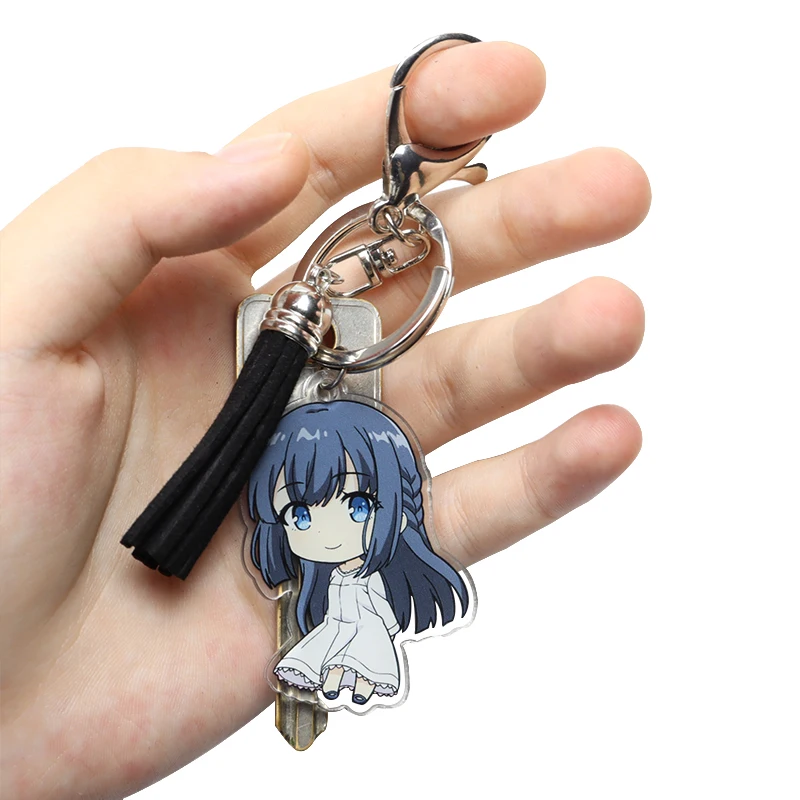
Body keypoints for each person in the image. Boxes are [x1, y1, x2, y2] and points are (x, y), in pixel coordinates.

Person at [0, 40, 650, 799]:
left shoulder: (355, 582)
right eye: (301, 512)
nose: (322, 525)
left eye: (356, 504)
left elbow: (351, 625)